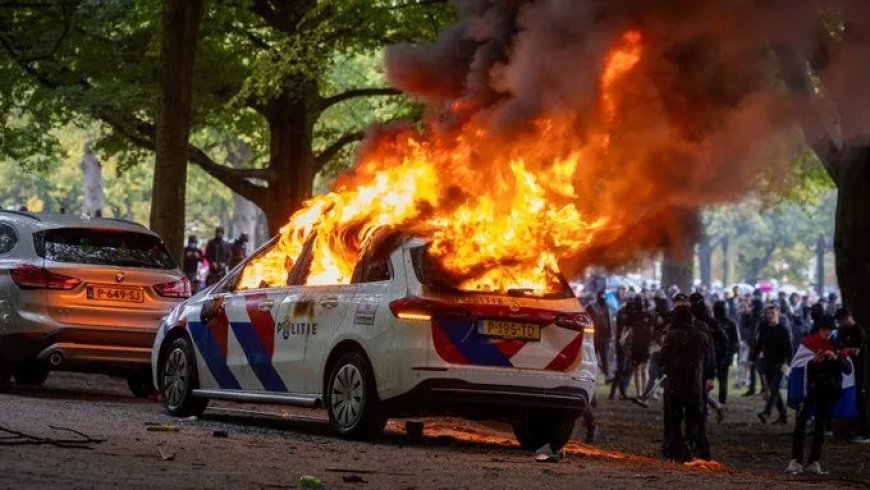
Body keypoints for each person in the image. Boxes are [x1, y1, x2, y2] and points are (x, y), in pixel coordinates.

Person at [787, 315, 853, 475]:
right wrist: (812, 361)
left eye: (830, 330)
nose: (827, 333)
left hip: (828, 391)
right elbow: (797, 364)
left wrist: (835, 357)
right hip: (809, 390)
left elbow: (848, 368)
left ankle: (814, 461)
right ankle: (796, 460)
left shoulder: (837, 345)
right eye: (825, 330)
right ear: (819, 329)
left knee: (820, 427)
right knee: (801, 425)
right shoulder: (808, 343)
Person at [660, 303, 716, 462]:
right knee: (694, 417)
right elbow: (709, 360)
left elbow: (662, 358)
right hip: (694, 383)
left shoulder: (671, 336)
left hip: (675, 383)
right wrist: (709, 376)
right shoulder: (702, 336)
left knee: (674, 418)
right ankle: (689, 441)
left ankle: (676, 449)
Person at [753, 305, 793, 424]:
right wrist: (752, 358)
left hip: (780, 363)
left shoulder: (783, 330)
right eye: (768, 314)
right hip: (767, 362)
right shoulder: (764, 329)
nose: (770, 316)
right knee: (774, 389)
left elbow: (789, 348)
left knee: (774, 388)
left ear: (778, 314)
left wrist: (788, 363)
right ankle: (783, 415)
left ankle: (767, 412)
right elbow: (759, 345)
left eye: (772, 313)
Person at [836, 307, 869, 444]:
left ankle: (865, 432)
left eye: (841, 320)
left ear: (847, 318)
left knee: (861, 401)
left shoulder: (858, 331)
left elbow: (856, 351)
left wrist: (843, 350)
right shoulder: (843, 331)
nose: (840, 323)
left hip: (860, 371)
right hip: (847, 372)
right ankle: (851, 430)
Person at [713, 300, 739, 405]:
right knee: (719, 379)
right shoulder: (712, 322)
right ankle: (718, 401)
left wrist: (730, 354)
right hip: (716, 355)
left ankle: (721, 401)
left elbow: (735, 341)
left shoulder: (730, 323)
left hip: (723, 355)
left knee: (722, 380)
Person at [630, 296, 655, 398]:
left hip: (645, 345)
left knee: (644, 369)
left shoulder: (650, 316)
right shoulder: (634, 316)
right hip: (637, 345)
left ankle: (645, 392)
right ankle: (639, 393)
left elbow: (652, 330)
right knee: (638, 369)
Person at [610, 298, 635, 400]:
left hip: (624, 344)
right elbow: (624, 329)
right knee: (622, 369)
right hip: (624, 344)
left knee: (623, 369)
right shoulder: (626, 313)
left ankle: (618, 391)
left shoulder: (622, 312)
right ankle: (619, 391)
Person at [587, 290, 613, 383]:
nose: (603, 298)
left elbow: (609, 321)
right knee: (592, 356)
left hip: (604, 337)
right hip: (594, 336)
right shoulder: (591, 307)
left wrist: (610, 335)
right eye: (601, 296)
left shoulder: (607, 306)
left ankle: (607, 375)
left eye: (604, 296)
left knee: (604, 357)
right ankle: (591, 374)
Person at [742, 298, 764, 396]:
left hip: (756, 345)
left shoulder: (758, 316)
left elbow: (754, 330)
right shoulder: (754, 315)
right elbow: (747, 326)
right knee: (754, 367)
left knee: (756, 366)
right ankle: (755, 387)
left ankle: (757, 387)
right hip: (754, 344)